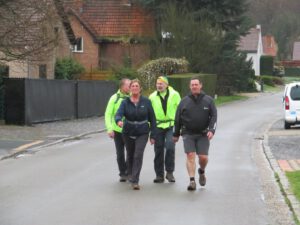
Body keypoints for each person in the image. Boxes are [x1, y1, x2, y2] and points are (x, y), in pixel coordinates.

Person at [173, 77, 217, 191]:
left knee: (203, 157)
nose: (194, 86)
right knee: (190, 155)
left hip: (203, 134)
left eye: (196, 84)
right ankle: (192, 181)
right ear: (190, 86)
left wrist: (211, 130)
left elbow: (214, 116)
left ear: (201, 85)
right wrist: (176, 134)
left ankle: (201, 171)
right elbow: (177, 118)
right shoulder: (184, 101)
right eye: (192, 85)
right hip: (188, 134)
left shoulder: (208, 100)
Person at [115, 79, 156, 190]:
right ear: (130, 88)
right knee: (130, 155)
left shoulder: (146, 102)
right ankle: (130, 174)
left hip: (142, 132)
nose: (134, 88)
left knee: (138, 155)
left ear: (140, 88)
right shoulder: (125, 102)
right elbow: (118, 114)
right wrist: (118, 120)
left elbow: (153, 119)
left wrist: (153, 135)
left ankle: (135, 180)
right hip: (128, 131)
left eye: (136, 86)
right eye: (132, 86)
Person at [149, 76, 181, 183]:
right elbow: (149, 114)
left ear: (166, 85)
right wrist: (151, 131)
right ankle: (159, 175)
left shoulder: (175, 94)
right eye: (157, 83)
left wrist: (180, 126)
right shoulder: (152, 97)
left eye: (161, 83)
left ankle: (170, 172)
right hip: (157, 126)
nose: (159, 85)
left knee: (170, 147)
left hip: (171, 125)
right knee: (158, 150)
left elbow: (181, 110)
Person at [104, 78, 131, 182]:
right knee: (120, 153)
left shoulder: (132, 97)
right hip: (117, 130)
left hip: (129, 130)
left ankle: (129, 172)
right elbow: (108, 114)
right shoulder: (114, 98)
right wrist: (109, 129)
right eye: (129, 85)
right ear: (122, 86)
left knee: (130, 153)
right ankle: (122, 173)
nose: (130, 87)